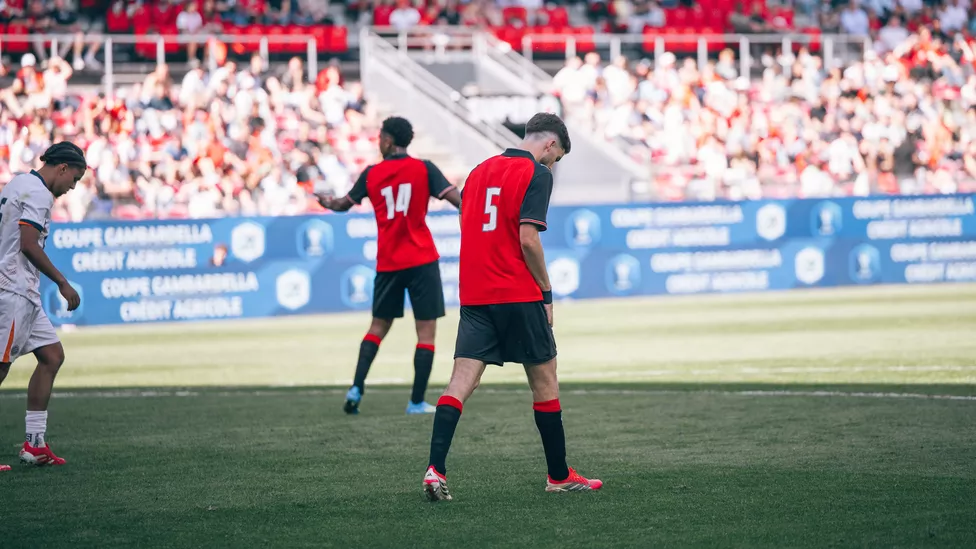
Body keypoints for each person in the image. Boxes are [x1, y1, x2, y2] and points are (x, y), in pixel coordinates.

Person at [422, 113, 602, 501]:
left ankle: (435, 469)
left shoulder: (478, 171)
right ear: (550, 144)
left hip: (475, 294)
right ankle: (558, 475)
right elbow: (528, 239)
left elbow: (468, 222)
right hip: (517, 293)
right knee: (544, 380)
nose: (551, 165)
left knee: (460, 382)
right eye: (555, 158)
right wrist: (547, 292)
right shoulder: (537, 174)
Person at [316, 117, 461, 415]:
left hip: (389, 262)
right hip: (422, 259)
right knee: (426, 333)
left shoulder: (372, 174)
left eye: (380, 137)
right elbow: (458, 200)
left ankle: (356, 388)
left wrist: (327, 202)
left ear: (389, 140)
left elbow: (343, 204)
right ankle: (416, 402)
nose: (377, 142)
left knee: (377, 328)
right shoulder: (425, 169)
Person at [0, 142, 86, 471]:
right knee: (1, 367)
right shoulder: (39, 194)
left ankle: (34, 444)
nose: (72, 188)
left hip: (23, 291)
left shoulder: (18, 182)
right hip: (13, 290)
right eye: (74, 179)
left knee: (52, 356)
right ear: (62, 168)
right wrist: (62, 282)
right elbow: (27, 244)